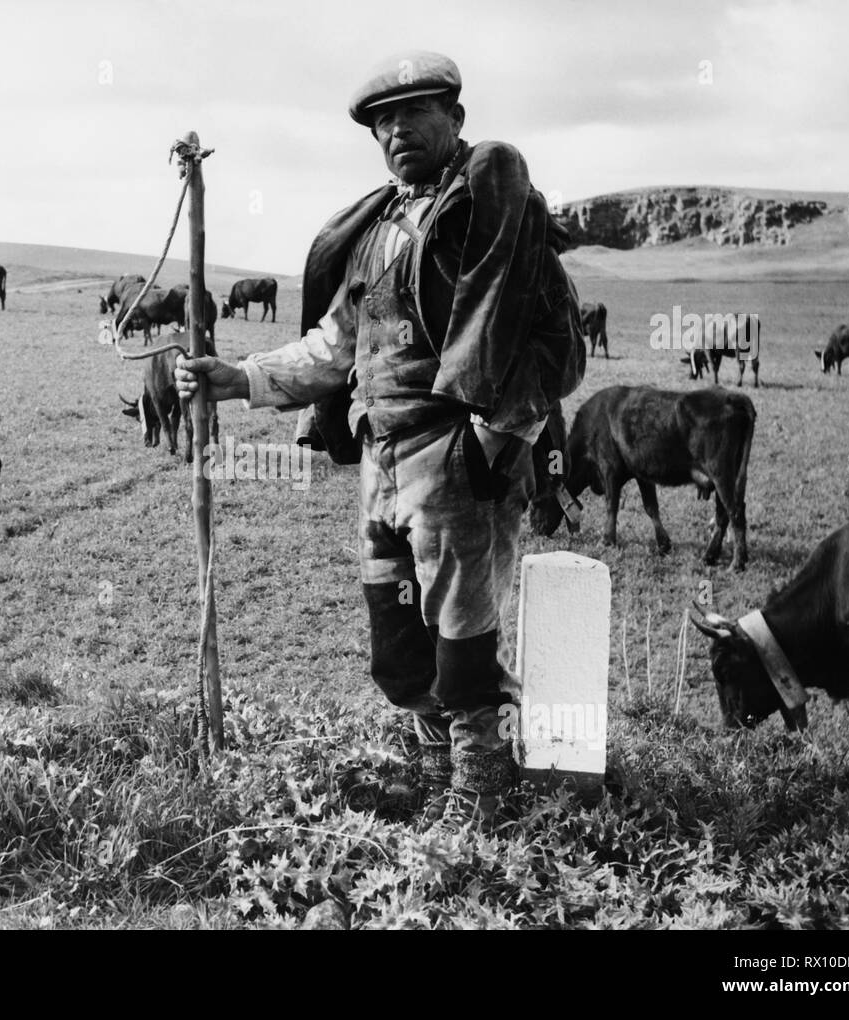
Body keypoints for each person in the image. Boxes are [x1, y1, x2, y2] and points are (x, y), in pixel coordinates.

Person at [176, 51, 585, 829]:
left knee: (461, 628)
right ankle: (435, 771)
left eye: (416, 111)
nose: (397, 128)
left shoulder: (493, 210)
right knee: (396, 637)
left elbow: (551, 341)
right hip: (382, 459)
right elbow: (334, 348)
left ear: (454, 119)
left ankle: (480, 792)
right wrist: (238, 376)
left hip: (455, 453)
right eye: (382, 120)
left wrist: (495, 436)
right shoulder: (373, 234)